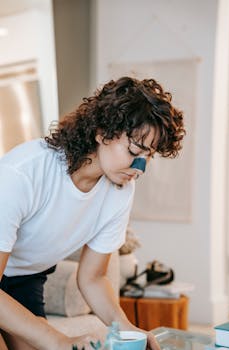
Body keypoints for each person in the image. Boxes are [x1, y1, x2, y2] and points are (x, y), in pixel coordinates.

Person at [0, 76, 185, 350]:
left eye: (149, 156)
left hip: (24, 280)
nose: (140, 167)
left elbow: (93, 277)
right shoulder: (22, 174)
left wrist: (127, 329)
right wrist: (56, 339)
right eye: (135, 150)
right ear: (102, 132)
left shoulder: (120, 190)